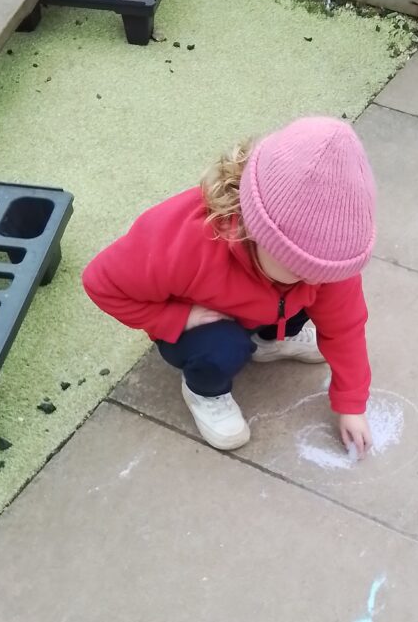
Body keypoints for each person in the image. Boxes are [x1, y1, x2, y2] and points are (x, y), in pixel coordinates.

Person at [83, 116, 376, 455]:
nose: (315, 277)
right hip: (208, 322)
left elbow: (345, 327)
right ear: (257, 230)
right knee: (222, 348)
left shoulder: (325, 260)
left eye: (323, 270)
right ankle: (205, 392)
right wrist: (177, 319)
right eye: (300, 266)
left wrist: (352, 404)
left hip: (267, 307)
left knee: (315, 300)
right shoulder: (184, 241)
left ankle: (271, 340)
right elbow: (101, 283)